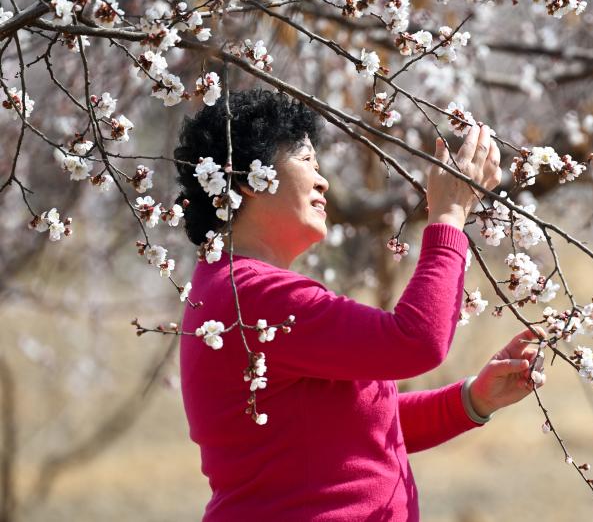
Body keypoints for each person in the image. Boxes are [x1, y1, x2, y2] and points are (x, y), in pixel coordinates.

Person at [175, 89, 539, 521]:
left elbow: (359, 424)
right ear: (246, 180)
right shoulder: (251, 295)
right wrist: (448, 216)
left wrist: (472, 401)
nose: (323, 180)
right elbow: (416, 340)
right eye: (305, 160)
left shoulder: (239, 289)